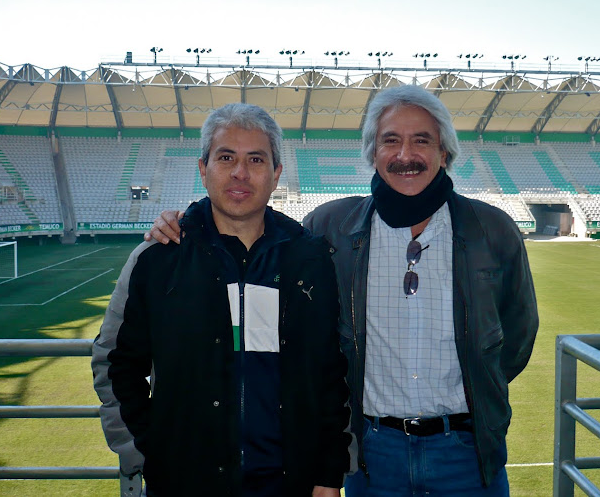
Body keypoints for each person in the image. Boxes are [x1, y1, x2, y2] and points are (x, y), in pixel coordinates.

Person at [148, 86, 539, 496]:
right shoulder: (330, 226)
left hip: (467, 452)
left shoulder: (492, 231)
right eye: (391, 140)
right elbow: (251, 224)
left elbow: (516, 337)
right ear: (373, 153)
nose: (405, 155)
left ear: (444, 153)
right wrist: (184, 223)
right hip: (372, 455)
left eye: (422, 140)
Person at [92, 103, 351, 496]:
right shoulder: (159, 258)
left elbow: (331, 376)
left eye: (256, 159)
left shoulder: (309, 259)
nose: (240, 173)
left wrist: (327, 474)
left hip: (289, 485)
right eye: (226, 157)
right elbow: (115, 364)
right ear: (203, 168)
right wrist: (148, 454)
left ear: (276, 174)